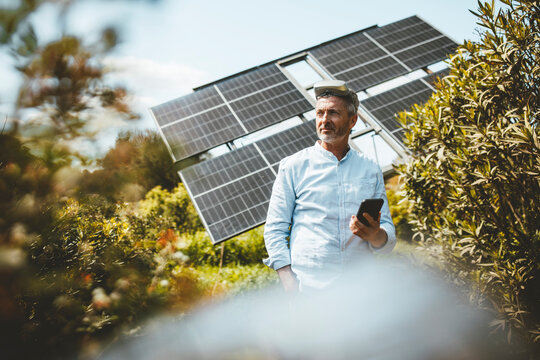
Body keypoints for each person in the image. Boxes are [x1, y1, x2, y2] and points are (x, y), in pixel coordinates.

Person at [263, 79, 396, 293]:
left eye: (333, 113)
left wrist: (376, 235)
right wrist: (290, 286)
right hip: (310, 291)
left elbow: (387, 231)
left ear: (352, 121)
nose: (324, 120)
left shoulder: (370, 168)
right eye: (320, 113)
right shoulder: (293, 166)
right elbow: (275, 230)